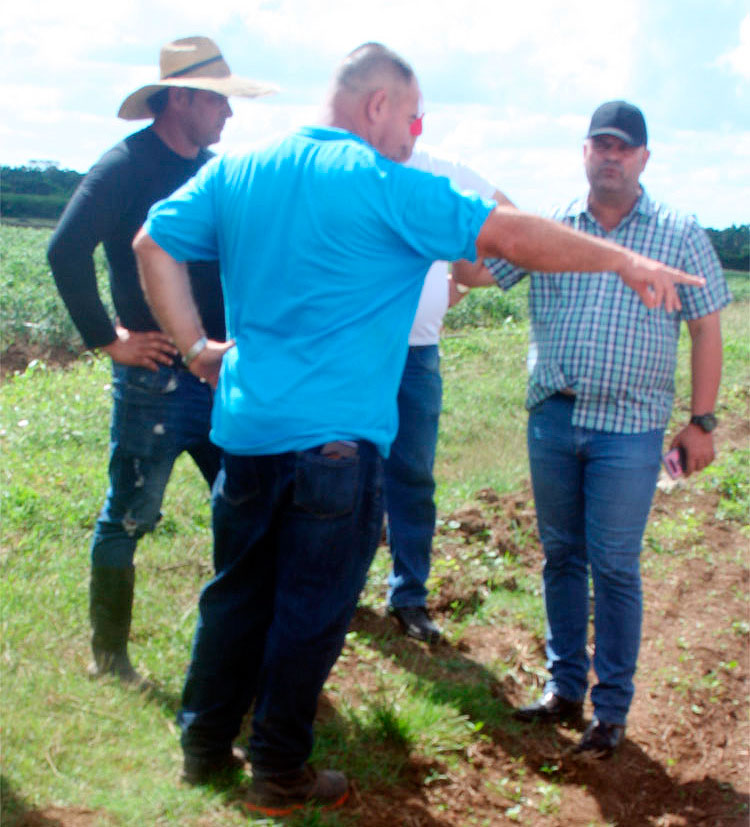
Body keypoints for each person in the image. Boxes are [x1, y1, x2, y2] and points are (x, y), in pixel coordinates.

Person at [133, 47, 702, 814]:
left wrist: (198, 347)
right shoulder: (385, 185)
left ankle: (202, 749)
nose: (412, 135)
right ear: (376, 109)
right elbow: (509, 237)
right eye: (409, 118)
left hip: (246, 433)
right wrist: (621, 259)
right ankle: (278, 768)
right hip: (334, 449)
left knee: (236, 593)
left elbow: (151, 244)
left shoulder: (240, 170)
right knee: (311, 609)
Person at [477, 101, 731, 758]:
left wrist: (701, 421)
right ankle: (564, 687)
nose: (611, 156)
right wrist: (463, 221)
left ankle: (610, 707)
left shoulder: (677, 230)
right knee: (562, 556)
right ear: (584, 152)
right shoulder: (552, 226)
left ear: (643, 158)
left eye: (624, 147)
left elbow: (706, 326)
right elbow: (482, 270)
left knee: (614, 563)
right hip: (554, 417)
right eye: (601, 145)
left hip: (631, 425)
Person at [47, 36, 276, 688]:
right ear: (182, 98)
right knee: (128, 515)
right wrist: (108, 338)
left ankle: (242, 649)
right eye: (219, 103)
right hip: (153, 381)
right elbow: (65, 251)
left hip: (221, 375)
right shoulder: (125, 166)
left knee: (246, 506)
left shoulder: (214, 169)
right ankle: (110, 656)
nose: (228, 117)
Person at [385, 148, 510, 643]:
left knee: (412, 474)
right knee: (349, 470)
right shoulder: (347, 165)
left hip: (418, 352)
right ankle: (341, 588)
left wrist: (462, 279)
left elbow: (512, 221)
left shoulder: (444, 172)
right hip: (355, 350)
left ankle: (408, 595)